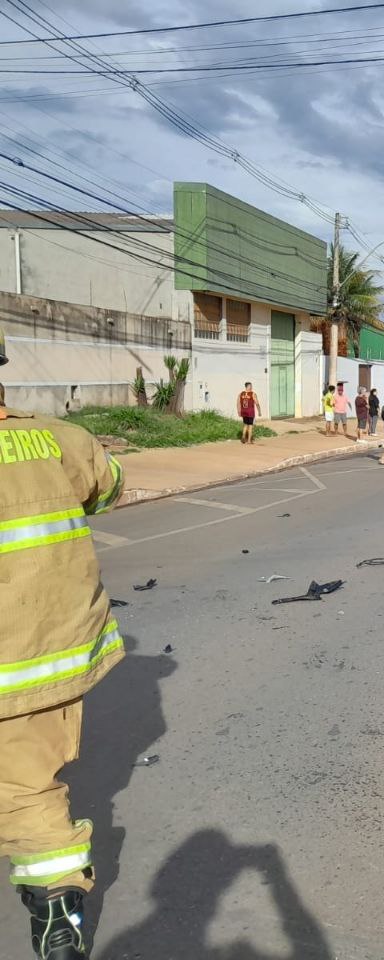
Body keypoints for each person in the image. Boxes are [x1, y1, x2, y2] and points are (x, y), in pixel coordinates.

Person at [0, 325, 126, 960]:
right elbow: (109, 485)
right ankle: (57, 913)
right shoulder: (60, 440)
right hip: (38, 661)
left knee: (19, 793)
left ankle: (55, 908)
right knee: (24, 787)